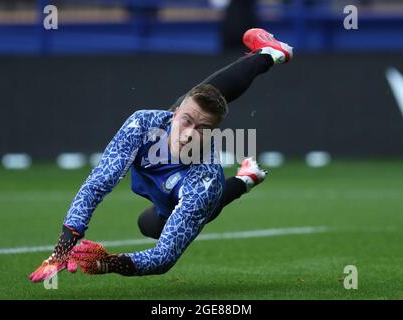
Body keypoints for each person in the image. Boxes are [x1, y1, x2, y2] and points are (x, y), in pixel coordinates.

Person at [29, 28, 293, 281]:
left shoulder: (205, 181)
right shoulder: (143, 124)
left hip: (191, 188)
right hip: (172, 149)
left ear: (214, 134)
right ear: (174, 114)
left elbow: (163, 257)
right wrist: (63, 250)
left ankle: (245, 180)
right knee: (201, 98)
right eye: (186, 121)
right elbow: (97, 184)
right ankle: (268, 54)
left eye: (203, 129)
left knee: (168, 220)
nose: (189, 134)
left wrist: (107, 263)